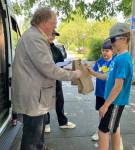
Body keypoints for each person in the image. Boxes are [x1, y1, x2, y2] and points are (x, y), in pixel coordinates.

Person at [11, 7, 82, 150]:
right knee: (31, 138)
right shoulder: (35, 38)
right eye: (54, 23)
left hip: (37, 97)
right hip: (34, 99)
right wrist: (74, 74)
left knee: (38, 132)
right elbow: (49, 69)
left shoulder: (35, 36)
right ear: (44, 22)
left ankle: (41, 146)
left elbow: (44, 65)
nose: (55, 26)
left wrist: (62, 69)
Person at [45, 31, 76, 133]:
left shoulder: (56, 50)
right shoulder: (40, 48)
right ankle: (46, 123)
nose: (52, 37)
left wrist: (68, 68)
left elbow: (61, 65)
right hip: (44, 81)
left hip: (56, 80)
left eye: (54, 35)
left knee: (60, 102)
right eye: (51, 34)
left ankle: (63, 123)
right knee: (44, 102)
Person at [90, 40, 113, 141]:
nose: (105, 53)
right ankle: (100, 130)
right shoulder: (99, 61)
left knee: (111, 114)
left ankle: (111, 131)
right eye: (103, 50)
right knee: (101, 112)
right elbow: (92, 72)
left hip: (109, 94)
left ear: (113, 51)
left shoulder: (114, 62)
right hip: (99, 93)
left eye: (107, 50)